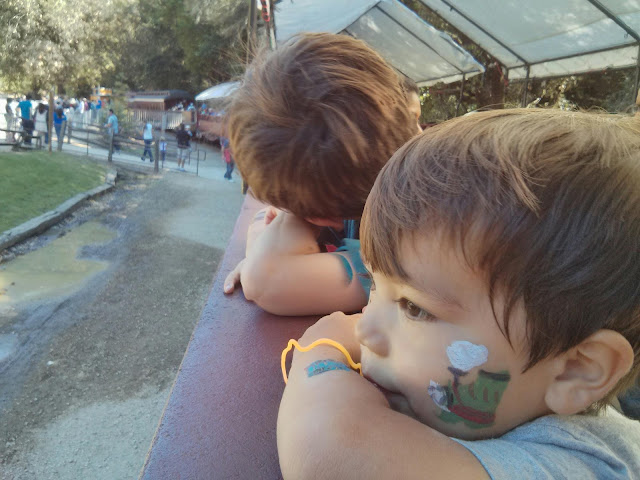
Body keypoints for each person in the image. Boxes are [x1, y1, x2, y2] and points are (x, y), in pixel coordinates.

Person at [277, 109, 640, 479]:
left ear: (576, 369)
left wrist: (320, 348)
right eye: (373, 285)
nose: (364, 331)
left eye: (414, 308)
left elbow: (329, 455)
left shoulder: (581, 465)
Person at [222, 32, 419, 316]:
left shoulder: (412, 240)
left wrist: (268, 250)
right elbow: (262, 221)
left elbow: (263, 280)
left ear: (319, 218)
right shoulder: (383, 178)